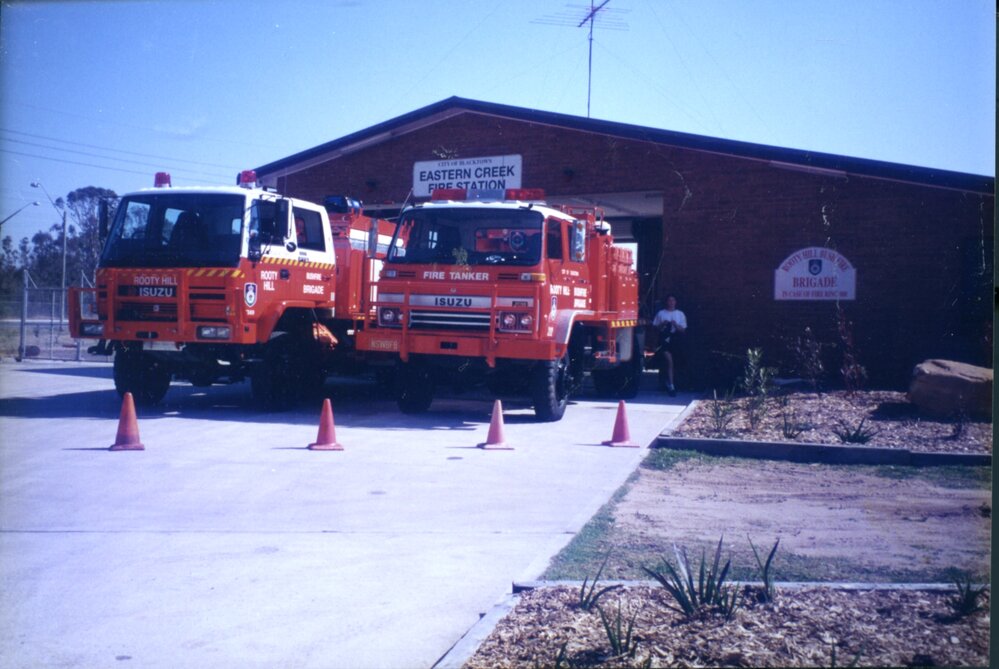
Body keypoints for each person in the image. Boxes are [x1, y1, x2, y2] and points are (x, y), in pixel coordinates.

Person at [652, 294, 687, 395]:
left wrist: (676, 325)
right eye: (669, 300)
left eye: (673, 300)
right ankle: (671, 386)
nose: (671, 302)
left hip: (676, 340)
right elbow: (655, 328)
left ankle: (672, 382)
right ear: (666, 302)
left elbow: (683, 330)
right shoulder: (661, 313)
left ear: (675, 302)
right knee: (669, 361)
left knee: (675, 362)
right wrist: (663, 324)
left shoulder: (680, 314)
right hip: (664, 340)